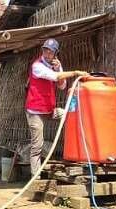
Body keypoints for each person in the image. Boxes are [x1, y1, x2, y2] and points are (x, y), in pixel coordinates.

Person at [26, 38, 88, 175]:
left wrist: (59, 67)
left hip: (49, 109)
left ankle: (78, 150)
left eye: (51, 52)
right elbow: (55, 77)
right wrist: (75, 73)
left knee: (71, 114)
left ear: (55, 54)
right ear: (42, 51)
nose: (48, 54)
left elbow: (62, 85)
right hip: (35, 111)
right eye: (46, 50)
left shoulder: (53, 66)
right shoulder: (37, 66)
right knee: (37, 146)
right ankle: (35, 178)